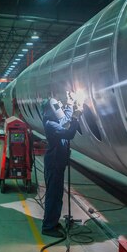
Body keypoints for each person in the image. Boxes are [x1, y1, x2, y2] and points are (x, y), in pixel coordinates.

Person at [41, 92, 81, 238]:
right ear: (50, 110)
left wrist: (70, 105)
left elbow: (64, 119)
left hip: (58, 162)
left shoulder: (53, 120)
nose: (60, 109)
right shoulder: (50, 124)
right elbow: (69, 133)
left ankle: (53, 221)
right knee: (53, 195)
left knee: (57, 195)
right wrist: (76, 117)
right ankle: (48, 227)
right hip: (54, 163)